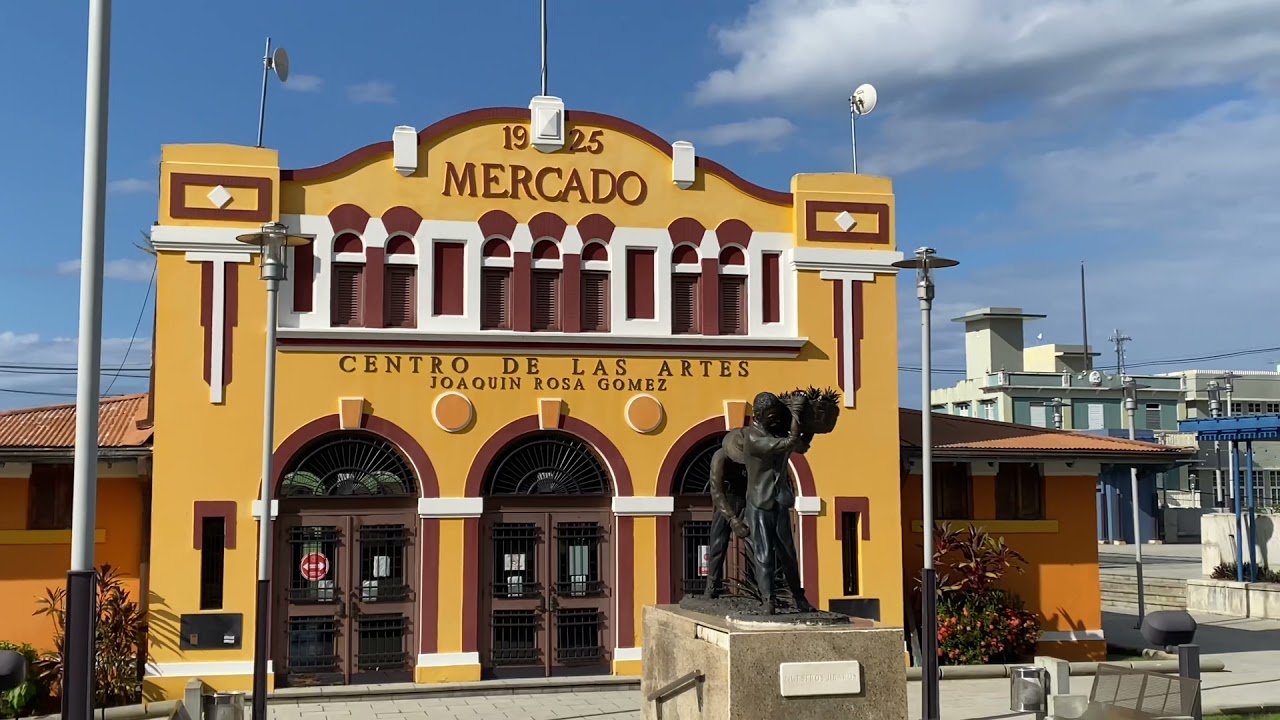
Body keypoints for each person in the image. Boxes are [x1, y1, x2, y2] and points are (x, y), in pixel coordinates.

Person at [709, 391, 814, 614]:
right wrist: (796, 411)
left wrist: (808, 422)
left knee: (788, 554)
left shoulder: (772, 436)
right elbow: (791, 441)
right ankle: (767, 599)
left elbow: (800, 445)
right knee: (762, 552)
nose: (776, 419)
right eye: (771, 415)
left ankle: (799, 598)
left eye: (778, 415)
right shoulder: (754, 440)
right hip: (755, 503)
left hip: (778, 501)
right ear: (758, 415)